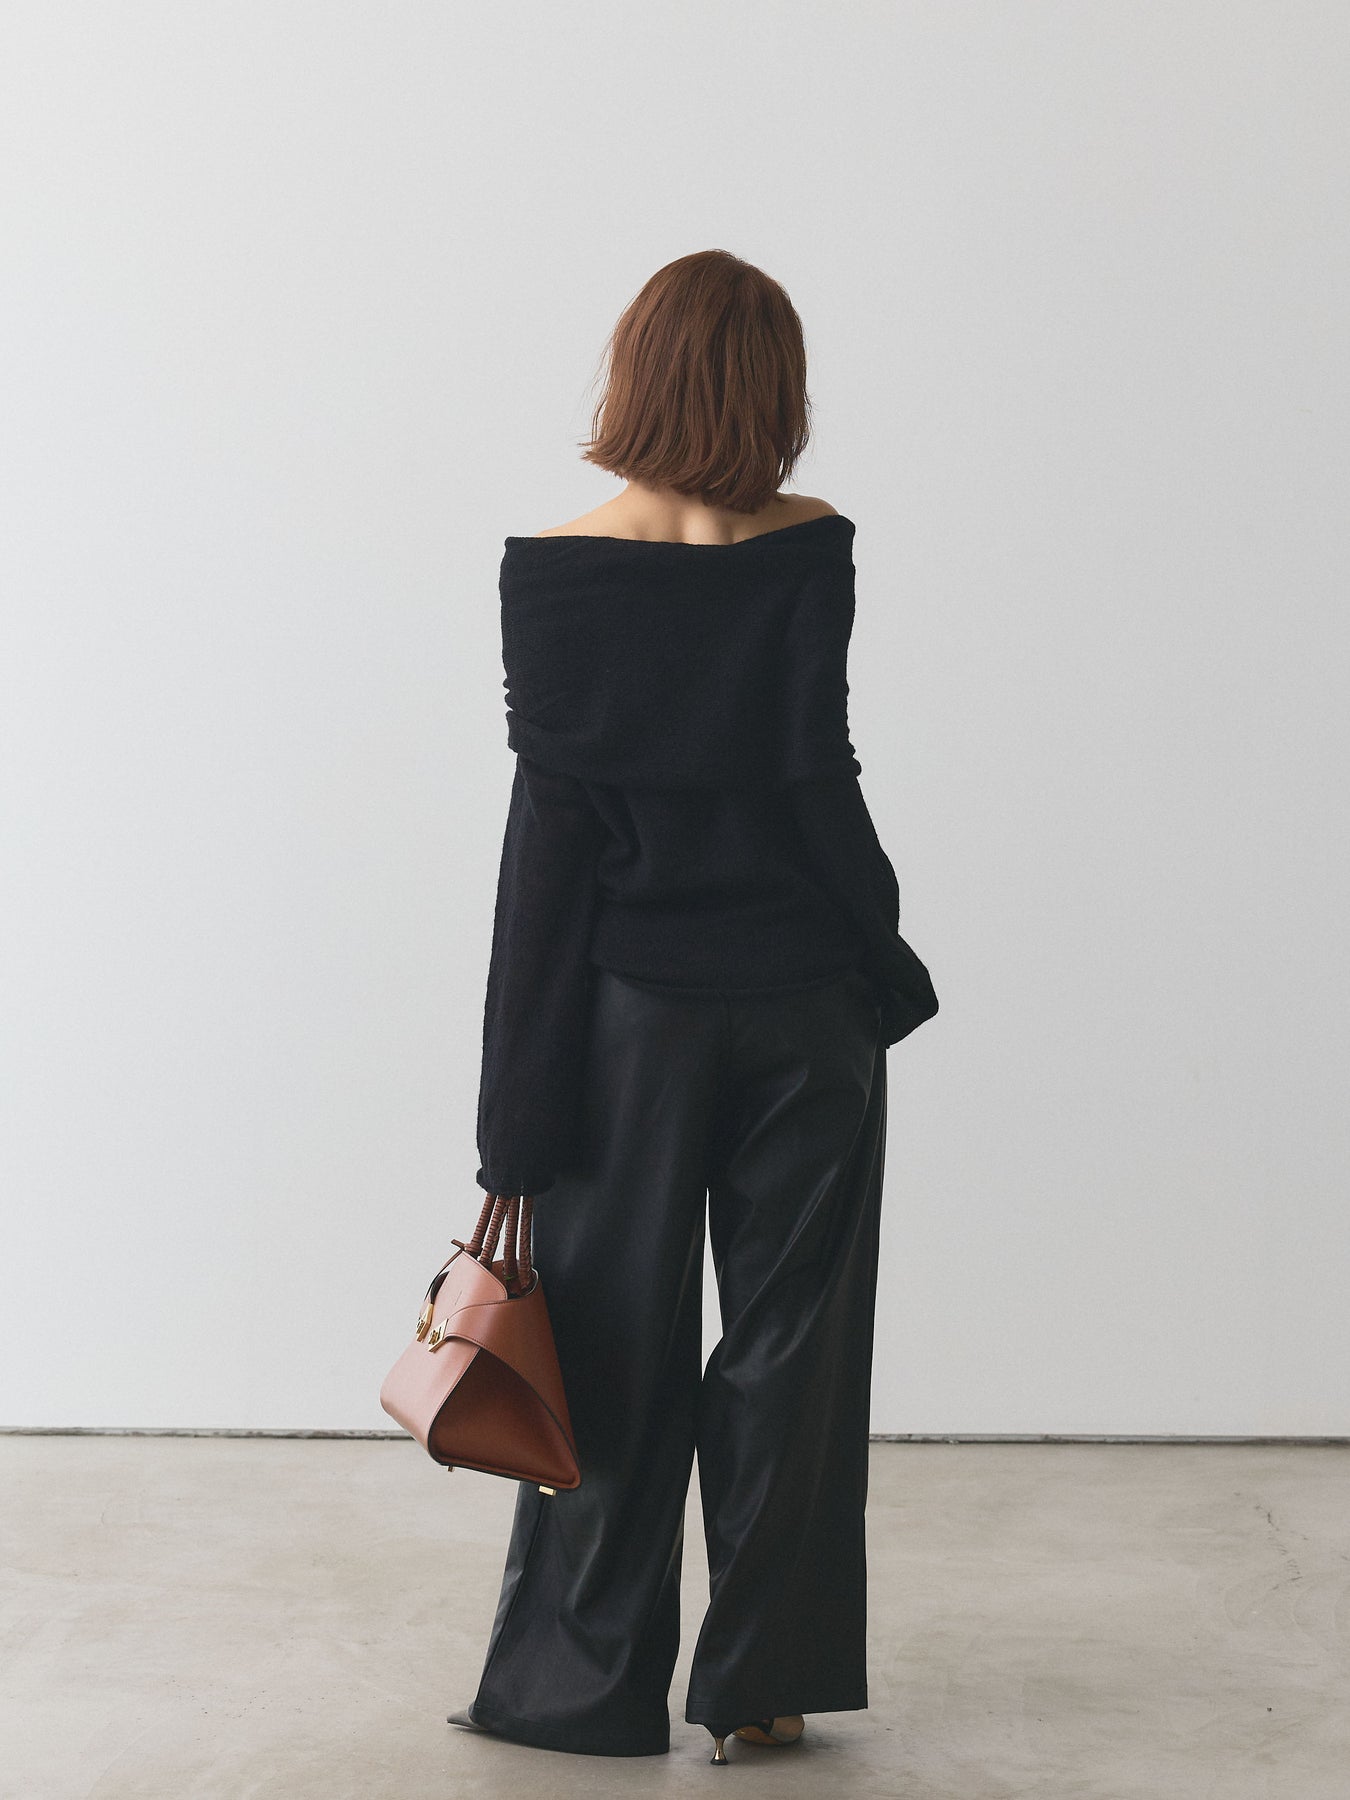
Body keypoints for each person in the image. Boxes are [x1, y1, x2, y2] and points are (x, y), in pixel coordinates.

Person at [446, 248, 939, 1765]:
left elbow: (552, 853)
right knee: (795, 1354)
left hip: (628, 1030)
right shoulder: (810, 545)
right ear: (772, 386)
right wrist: (880, 952)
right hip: (805, 1010)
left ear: (636, 372)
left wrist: (513, 1127)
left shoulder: (556, 565)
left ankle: (577, 1690)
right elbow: (815, 781)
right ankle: (763, 1685)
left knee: (605, 1350)